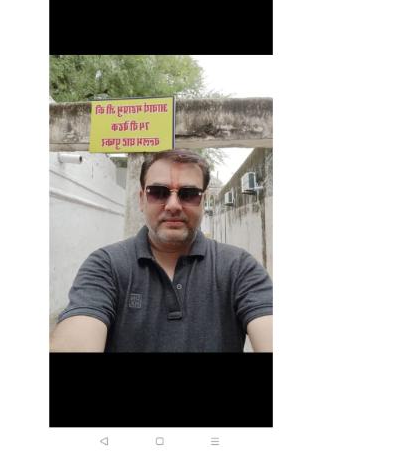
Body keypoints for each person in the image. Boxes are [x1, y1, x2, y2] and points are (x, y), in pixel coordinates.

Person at [50, 149, 272, 352]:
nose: (173, 205)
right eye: (158, 192)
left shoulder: (239, 267)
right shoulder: (106, 265)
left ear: (203, 202)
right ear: (141, 199)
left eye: (188, 194)